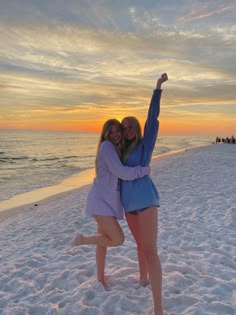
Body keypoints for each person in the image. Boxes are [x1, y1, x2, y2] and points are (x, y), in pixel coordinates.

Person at [72, 119, 150, 290]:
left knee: (103, 241)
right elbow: (121, 172)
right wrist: (143, 171)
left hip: (105, 202)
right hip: (100, 201)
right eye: (111, 132)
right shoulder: (107, 146)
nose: (115, 135)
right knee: (118, 239)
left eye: (117, 131)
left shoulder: (114, 148)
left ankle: (100, 278)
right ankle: (84, 240)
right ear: (105, 134)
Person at [120, 73, 168, 315]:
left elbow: (152, 117)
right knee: (140, 246)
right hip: (128, 206)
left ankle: (158, 308)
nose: (127, 130)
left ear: (136, 128)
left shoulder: (145, 143)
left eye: (130, 126)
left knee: (150, 250)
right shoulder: (120, 152)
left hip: (147, 202)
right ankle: (143, 279)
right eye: (124, 127)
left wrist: (157, 88)